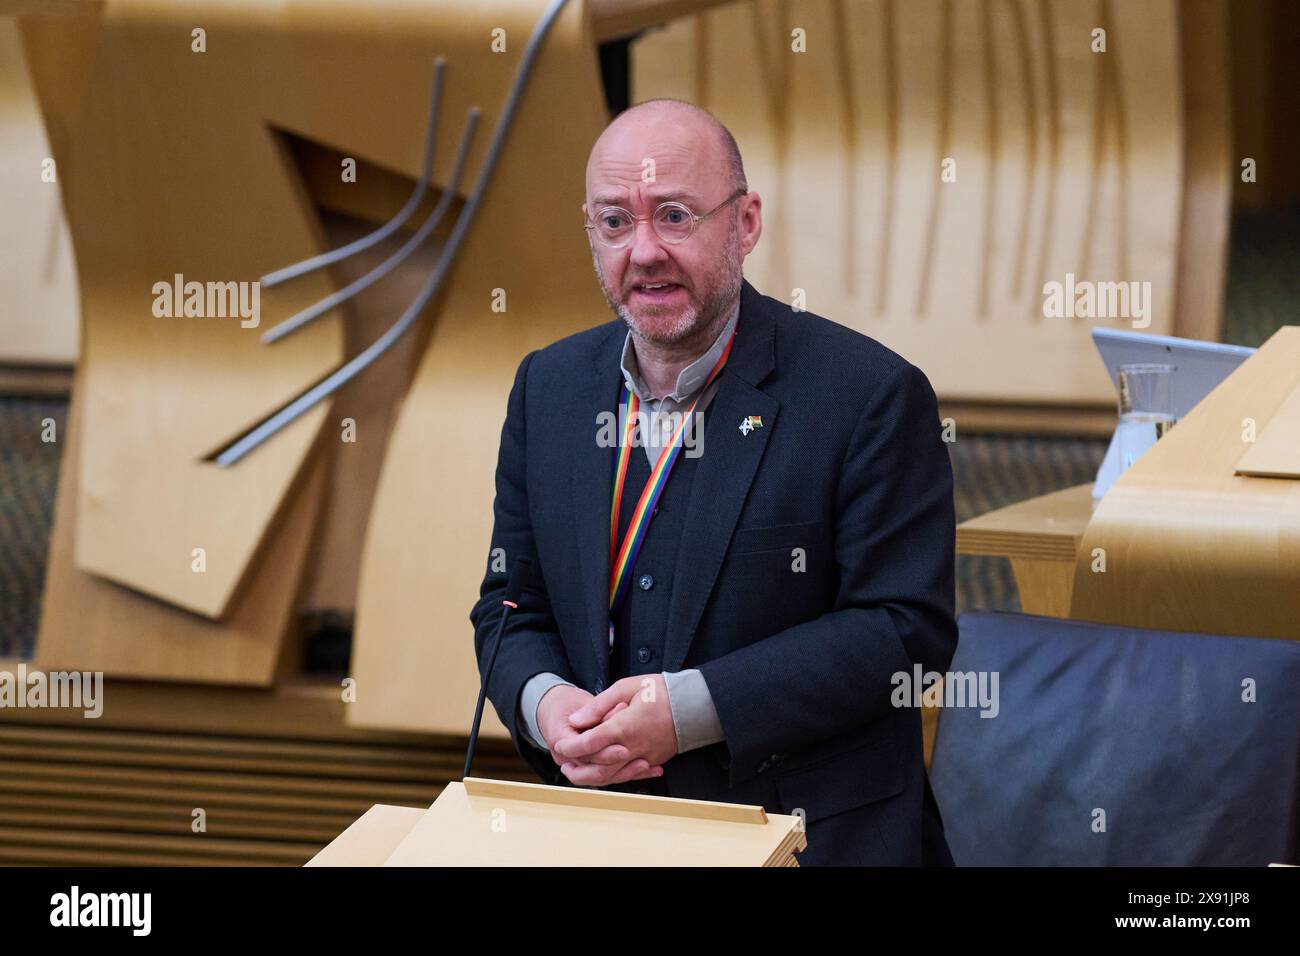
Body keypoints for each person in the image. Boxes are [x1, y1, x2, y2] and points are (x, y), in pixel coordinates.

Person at [470, 98, 957, 865]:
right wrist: (548, 706)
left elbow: (905, 634)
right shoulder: (548, 388)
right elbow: (509, 607)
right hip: (604, 833)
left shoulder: (869, 395)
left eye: (674, 215)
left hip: (810, 838)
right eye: (614, 222)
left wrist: (690, 710)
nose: (644, 251)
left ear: (746, 223)